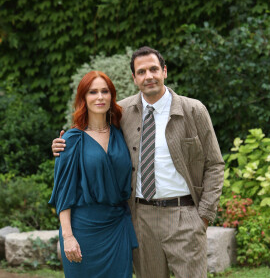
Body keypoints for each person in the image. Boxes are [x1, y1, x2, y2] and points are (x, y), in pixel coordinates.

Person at [52, 47, 224, 278]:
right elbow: (90, 135)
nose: (148, 76)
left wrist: (203, 216)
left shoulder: (193, 110)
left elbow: (214, 164)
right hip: (141, 219)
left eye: (153, 69)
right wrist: (62, 145)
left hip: (184, 216)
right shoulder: (122, 113)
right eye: (141, 72)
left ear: (164, 71)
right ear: (134, 78)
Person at [49, 71, 138, 278]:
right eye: (93, 92)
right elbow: (64, 192)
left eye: (105, 91)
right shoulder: (71, 140)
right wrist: (68, 236)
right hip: (83, 231)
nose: (100, 97)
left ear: (111, 96)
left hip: (117, 227)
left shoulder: (122, 132)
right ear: (83, 98)